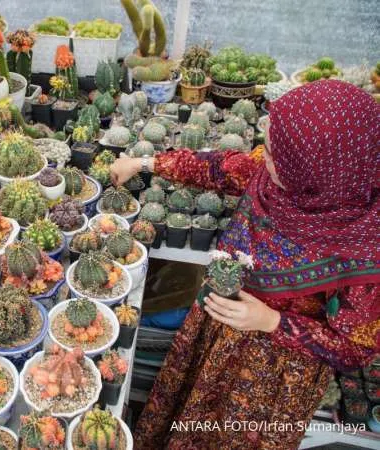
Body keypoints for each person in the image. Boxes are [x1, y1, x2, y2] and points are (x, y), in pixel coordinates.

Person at [109, 80, 379, 449]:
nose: (264, 158)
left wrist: (273, 322)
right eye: (269, 146)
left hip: (270, 375)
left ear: (322, 168)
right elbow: (225, 168)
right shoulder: (280, 175)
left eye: (275, 153)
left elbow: (355, 349)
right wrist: (145, 162)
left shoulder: (365, 248)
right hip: (214, 330)